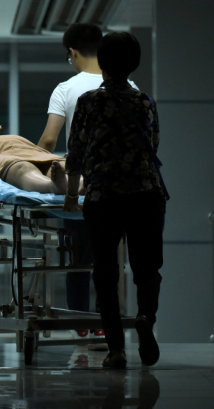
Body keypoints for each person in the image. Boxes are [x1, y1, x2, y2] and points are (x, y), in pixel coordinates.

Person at [64, 31, 167, 369]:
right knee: (147, 267)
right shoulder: (145, 101)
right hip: (145, 194)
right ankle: (145, 317)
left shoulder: (89, 101)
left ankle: (116, 350)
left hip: (102, 195)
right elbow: (153, 145)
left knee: (106, 272)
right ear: (134, 64)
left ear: (103, 64)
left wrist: (69, 196)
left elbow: (75, 153)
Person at [38, 23, 138, 345]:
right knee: (111, 259)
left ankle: (79, 317)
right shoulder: (130, 86)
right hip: (123, 188)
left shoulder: (66, 89)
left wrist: (36, 172)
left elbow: (50, 141)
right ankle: (104, 322)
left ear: (72, 52)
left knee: (77, 255)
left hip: (81, 188)